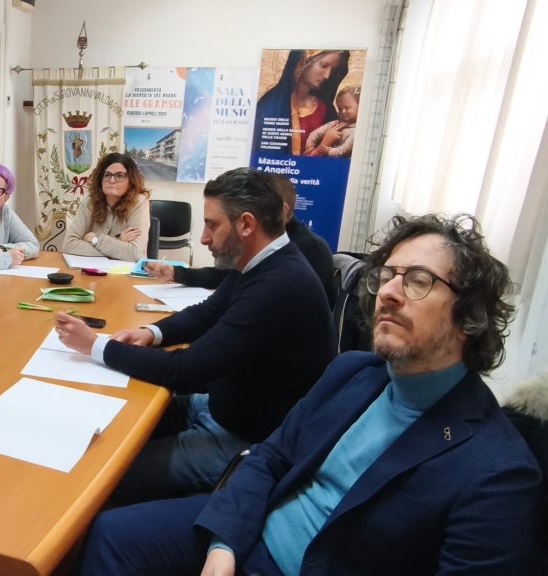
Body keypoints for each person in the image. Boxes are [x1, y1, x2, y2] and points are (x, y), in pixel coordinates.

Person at [77, 213, 542, 576]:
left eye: (418, 280)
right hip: (251, 531)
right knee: (109, 533)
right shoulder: (354, 372)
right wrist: (224, 542)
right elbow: (270, 456)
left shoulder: (499, 474)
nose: (389, 293)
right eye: (387, 276)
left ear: (470, 315)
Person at [55, 167, 334, 502]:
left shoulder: (279, 285)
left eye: (212, 225)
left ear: (247, 224)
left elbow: (185, 369)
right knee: (111, 423)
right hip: (221, 408)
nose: (203, 238)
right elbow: (207, 312)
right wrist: (151, 332)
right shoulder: (260, 262)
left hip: (248, 440)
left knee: (105, 474)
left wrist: (95, 345)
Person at [146, 173, 335, 306]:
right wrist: (177, 273)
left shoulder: (305, 251)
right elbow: (226, 277)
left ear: (282, 210)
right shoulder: (266, 249)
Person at [253, 50, 350, 155]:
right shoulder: (271, 104)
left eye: (333, 70)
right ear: (302, 63)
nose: (327, 75)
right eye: (323, 66)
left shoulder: (326, 109)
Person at [62, 152, 151, 261]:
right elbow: (69, 245)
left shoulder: (139, 202)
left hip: (128, 269)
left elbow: (134, 253)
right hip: (93, 267)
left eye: (119, 175)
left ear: (130, 181)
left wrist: (94, 239)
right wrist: (118, 241)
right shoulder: (89, 202)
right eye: (107, 175)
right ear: (101, 179)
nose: (112, 180)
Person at [305, 84, 360, 158]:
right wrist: (309, 147)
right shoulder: (336, 123)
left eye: (347, 108)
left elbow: (343, 150)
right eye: (340, 108)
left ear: (360, 107)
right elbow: (315, 133)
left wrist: (328, 151)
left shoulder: (357, 131)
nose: (343, 111)